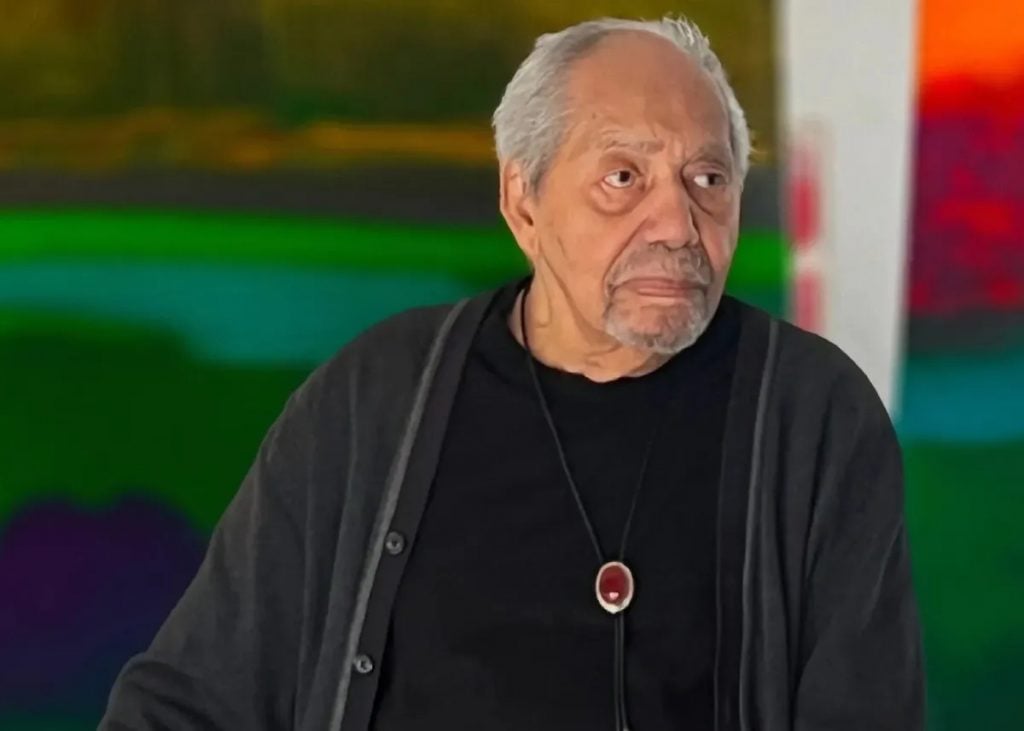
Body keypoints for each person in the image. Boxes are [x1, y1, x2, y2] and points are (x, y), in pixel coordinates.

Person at [101, 16, 925, 731]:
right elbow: (190, 696)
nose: (676, 221)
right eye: (623, 178)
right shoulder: (374, 398)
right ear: (523, 202)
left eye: (707, 179)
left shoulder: (814, 417)